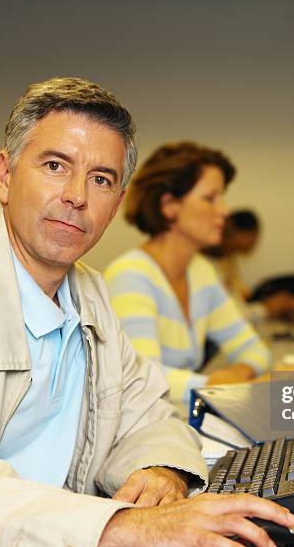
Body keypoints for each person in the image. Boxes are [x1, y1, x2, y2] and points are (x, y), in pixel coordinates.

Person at [0, 79, 294, 547]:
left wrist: (161, 471)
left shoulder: (89, 294)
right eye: (54, 166)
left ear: (115, 202)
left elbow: (148, 414)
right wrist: (123, 526)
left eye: (100, 178)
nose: (75, 195)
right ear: (4, 175)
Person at [104, 142, 272, 403]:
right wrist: (219, 386)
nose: (224, 211)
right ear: (170, 205)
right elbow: (142, 378)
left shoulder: (201, 272)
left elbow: (255, 350)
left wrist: (240, 373)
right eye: (210, 198)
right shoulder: (130, 277)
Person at [205, 209, 294, 322]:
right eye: (236, 248)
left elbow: (238, 303)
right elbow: (227, 318)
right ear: (230, 230)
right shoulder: (202, 266)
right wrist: (267, 309)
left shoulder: (223, 260)